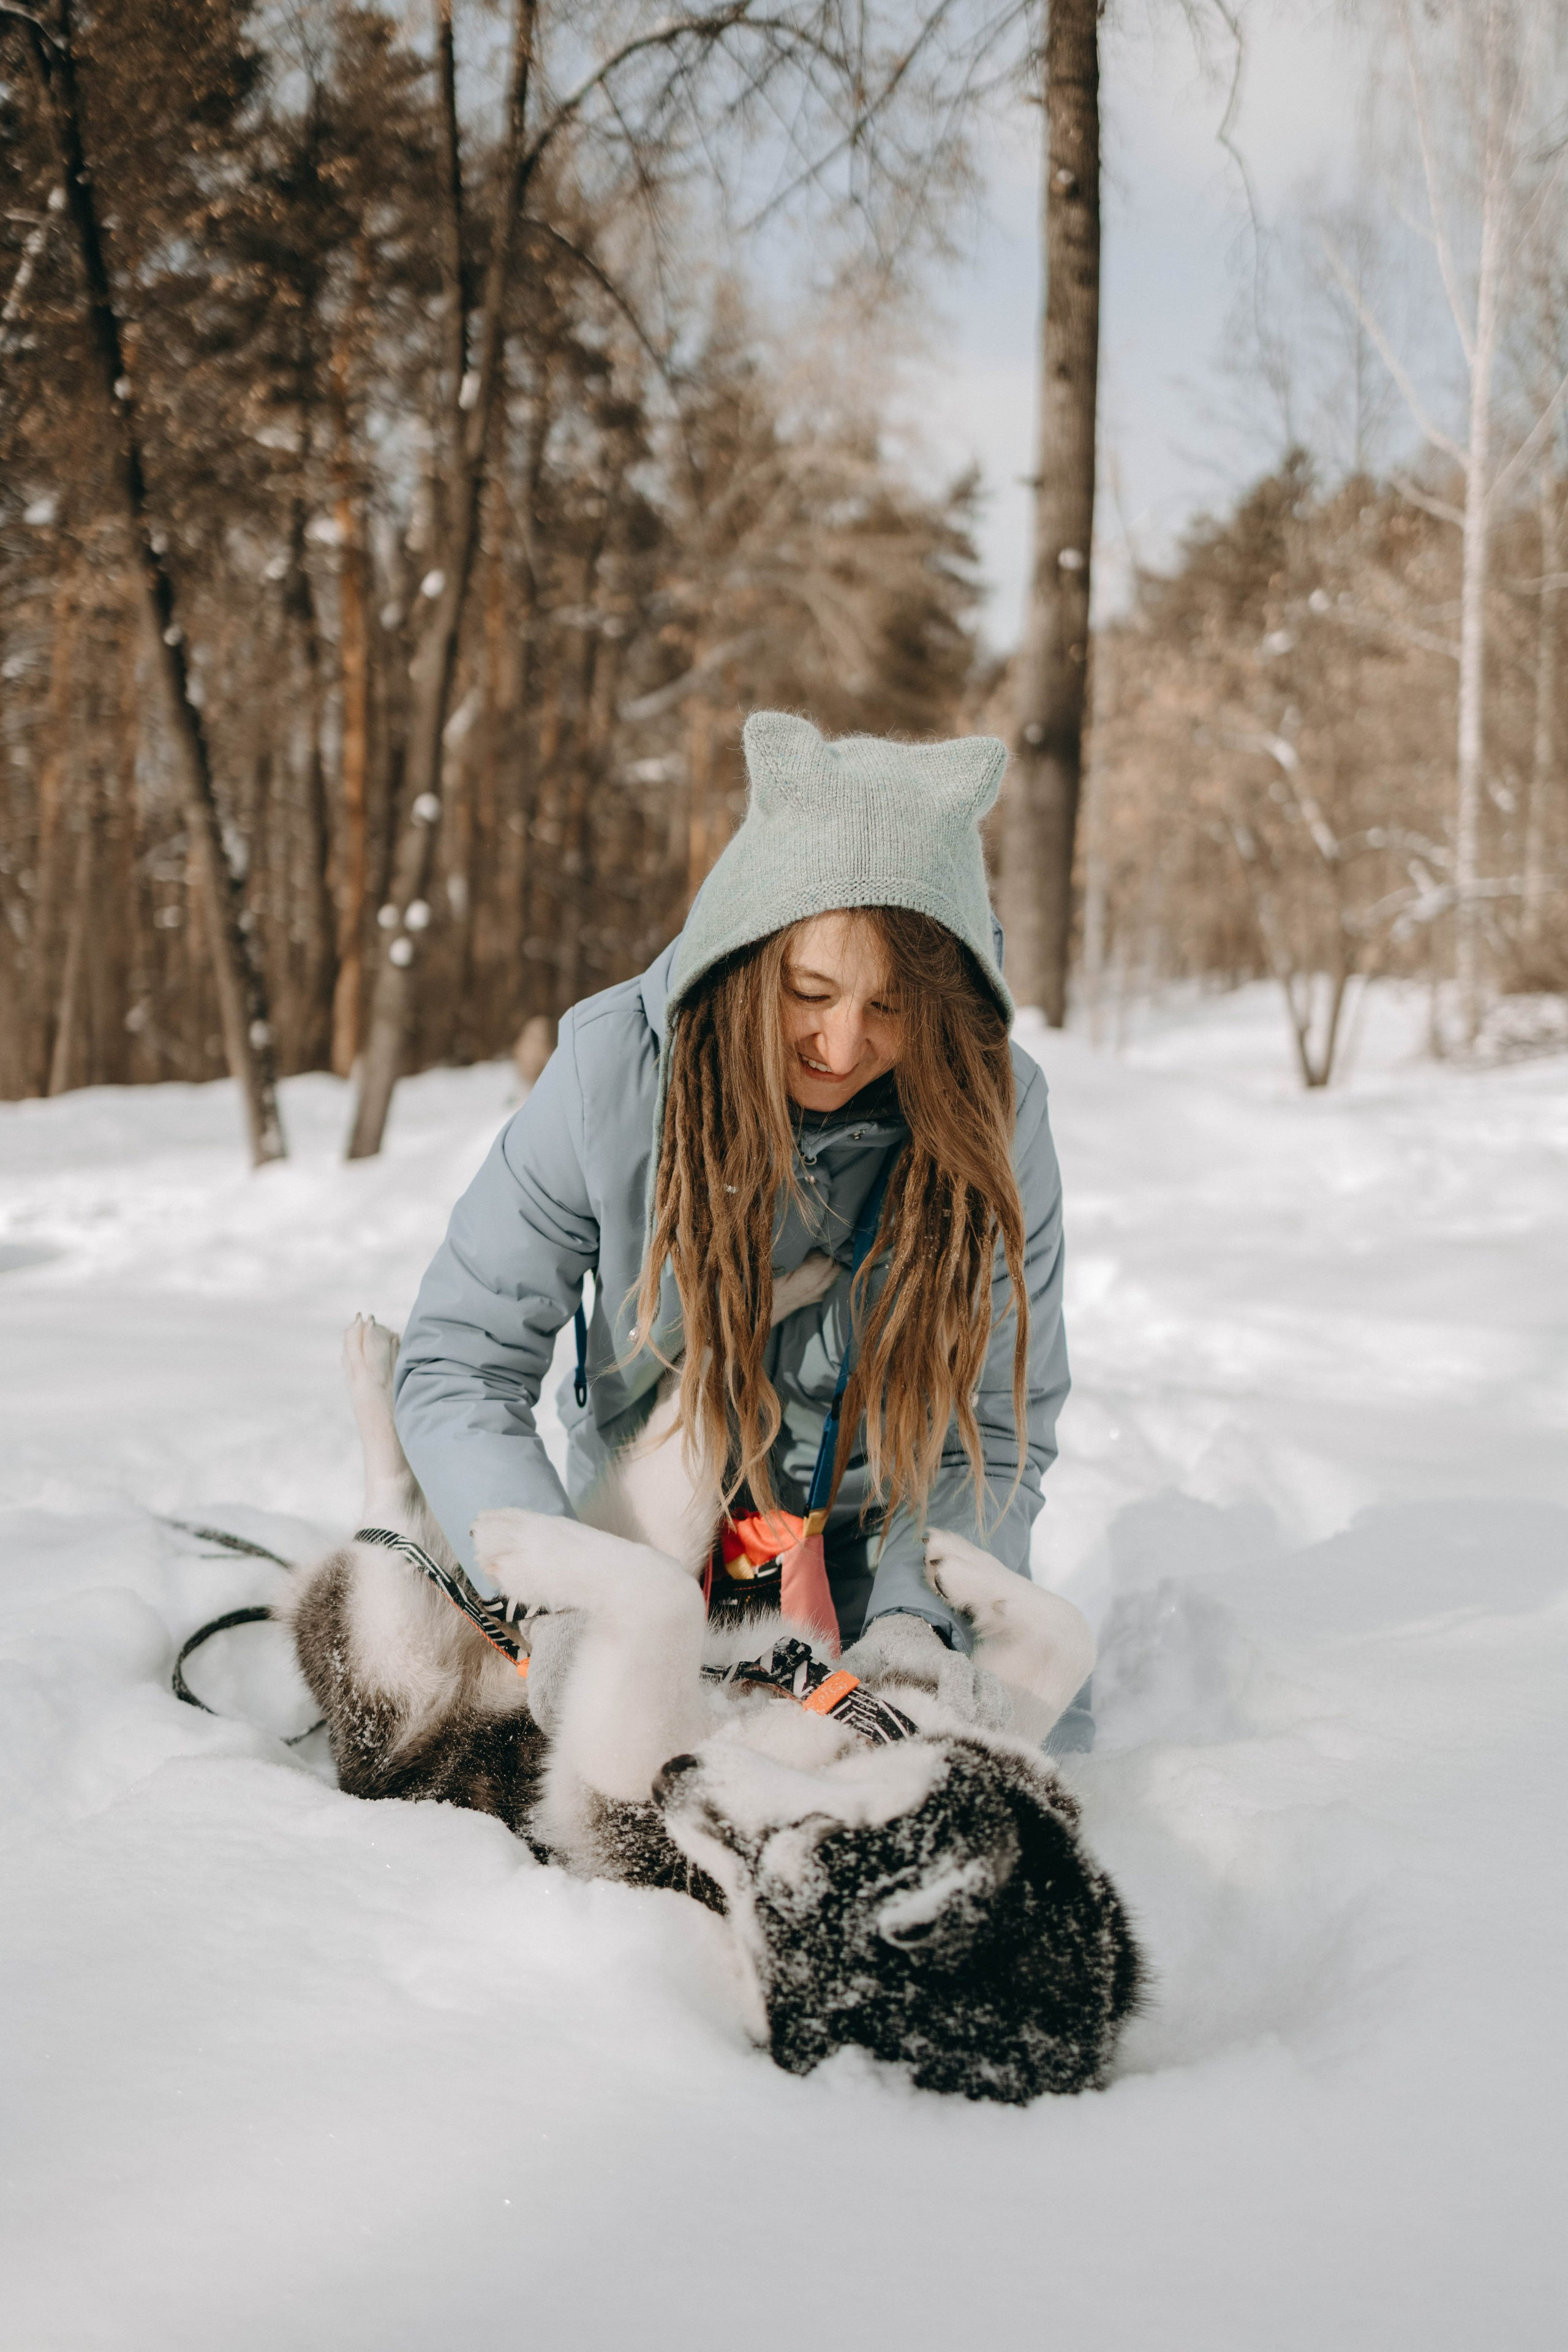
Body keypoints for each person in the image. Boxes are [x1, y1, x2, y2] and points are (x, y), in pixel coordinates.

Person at [395, 710, 1083, 1729]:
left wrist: (917, 1626)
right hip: (638, 1556)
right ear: (750, 949)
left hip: (870, 1584)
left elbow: (990, 1427)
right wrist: (567, 1590)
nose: (843, 1046)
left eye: (892, 1009)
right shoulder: (610, 1075)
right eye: (811, 991)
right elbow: (461, 1361)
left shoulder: (994, 1113)